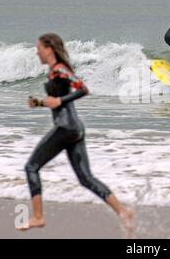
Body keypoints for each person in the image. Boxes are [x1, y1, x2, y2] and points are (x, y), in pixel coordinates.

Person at [19, 33, 133, 237]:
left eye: (39, 48)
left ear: (49, 49)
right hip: (74, 129)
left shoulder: (60, 69)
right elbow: (56, 99)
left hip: (66, 128)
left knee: (31, 167)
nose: (36, 52)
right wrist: (38, 103)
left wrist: (60, 101)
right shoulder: (55, 71)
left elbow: (83, 89)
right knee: (86, 178)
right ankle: (123, 212)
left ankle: (38, 216)